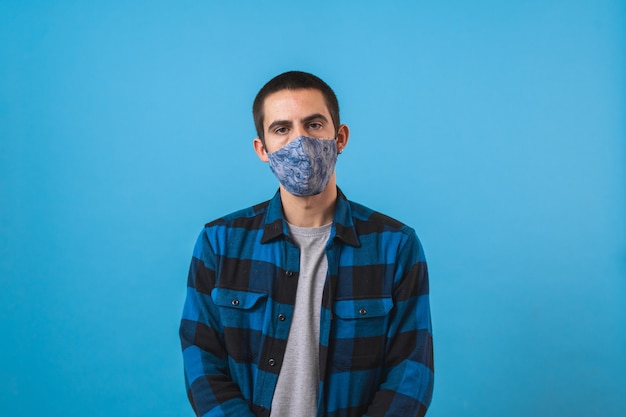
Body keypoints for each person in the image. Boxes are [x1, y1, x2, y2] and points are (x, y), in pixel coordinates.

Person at [180, 71, 434, 417]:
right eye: (282, 129)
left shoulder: (396, 246)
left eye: (314, 124)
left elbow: (411, 372)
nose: (299, 141)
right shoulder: (220, 243)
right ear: (262, 149)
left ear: (340, 137)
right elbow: (202, 361)